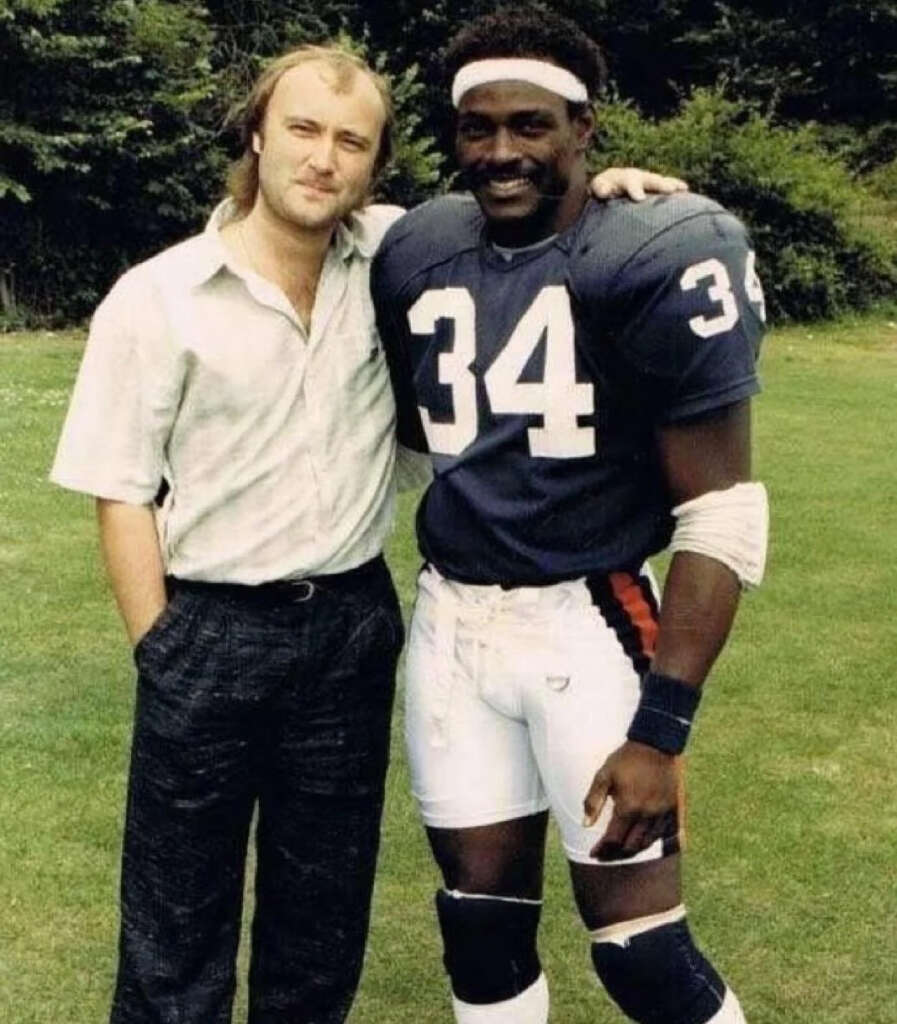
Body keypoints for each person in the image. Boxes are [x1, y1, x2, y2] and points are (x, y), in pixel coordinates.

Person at [50, 37, 683, 1024]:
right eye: (302, 128)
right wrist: (160, 645)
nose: (323, 157)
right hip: (206, 627)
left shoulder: (402, 259)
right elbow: (119, 488)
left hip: (349, 628)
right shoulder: (160, 296)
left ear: (373, 163)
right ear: (256, 135)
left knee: (320, 922)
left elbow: (519, 199)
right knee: (177, 922)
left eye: (352, 140)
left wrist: (601, 189)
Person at [372, 7, 767, 1024]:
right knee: (480, 935)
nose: (501, 151)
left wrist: (661, 732)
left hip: (585, 622)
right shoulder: (415, 247)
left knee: (641, 954)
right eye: (478, 127)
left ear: (585, 128)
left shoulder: (661, 247)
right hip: (451, 625)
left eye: (532, 125)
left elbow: (721, 512)